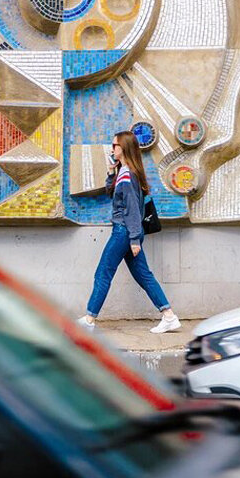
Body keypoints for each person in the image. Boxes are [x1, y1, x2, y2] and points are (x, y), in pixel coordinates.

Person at [78, 131, 180, 334]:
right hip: (129, 232)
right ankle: (169, 316)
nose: (112, 148)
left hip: (124, 232)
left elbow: (132, 209)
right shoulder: (126, 172)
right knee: (144, 275)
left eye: (114, 145)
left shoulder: (127, 175)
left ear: (123, 148)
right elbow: (112, 194)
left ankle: (89, 320)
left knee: (103, 273)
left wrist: (133, 239)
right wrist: (110, 172)